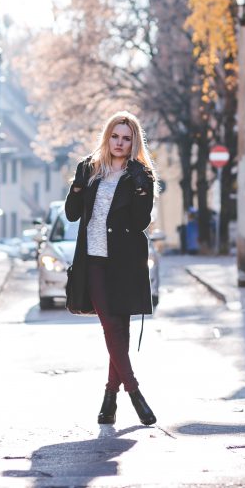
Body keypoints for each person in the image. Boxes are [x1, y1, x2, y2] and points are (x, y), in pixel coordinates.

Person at [64, 110, 159, 426]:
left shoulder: (140, 176)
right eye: (115, 136)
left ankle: (109, 399)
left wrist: (143, 190)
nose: (119, 143)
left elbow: (140, 222)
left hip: (125, 261)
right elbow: (72, 214)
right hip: (93, 259)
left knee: (121, 330)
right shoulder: (90, 170)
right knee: (111, 328)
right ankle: (135, 394)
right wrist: (77, 185)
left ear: (134, 142)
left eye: (126, 138)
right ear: (107, 137)